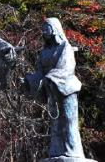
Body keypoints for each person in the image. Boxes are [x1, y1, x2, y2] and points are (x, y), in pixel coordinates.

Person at [24, 17, 85, 159]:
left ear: (55, 30)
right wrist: (29, 80)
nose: (44, 32)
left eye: (47, 28)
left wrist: (48, 78)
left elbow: (66, 68)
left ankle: (72, 153)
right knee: (56, 123)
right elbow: (39, 71)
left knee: (69, 120)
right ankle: (56, 151)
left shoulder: (65, 48)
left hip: (66, 88)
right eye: (43, 29)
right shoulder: (44, 52)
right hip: (52, 89)